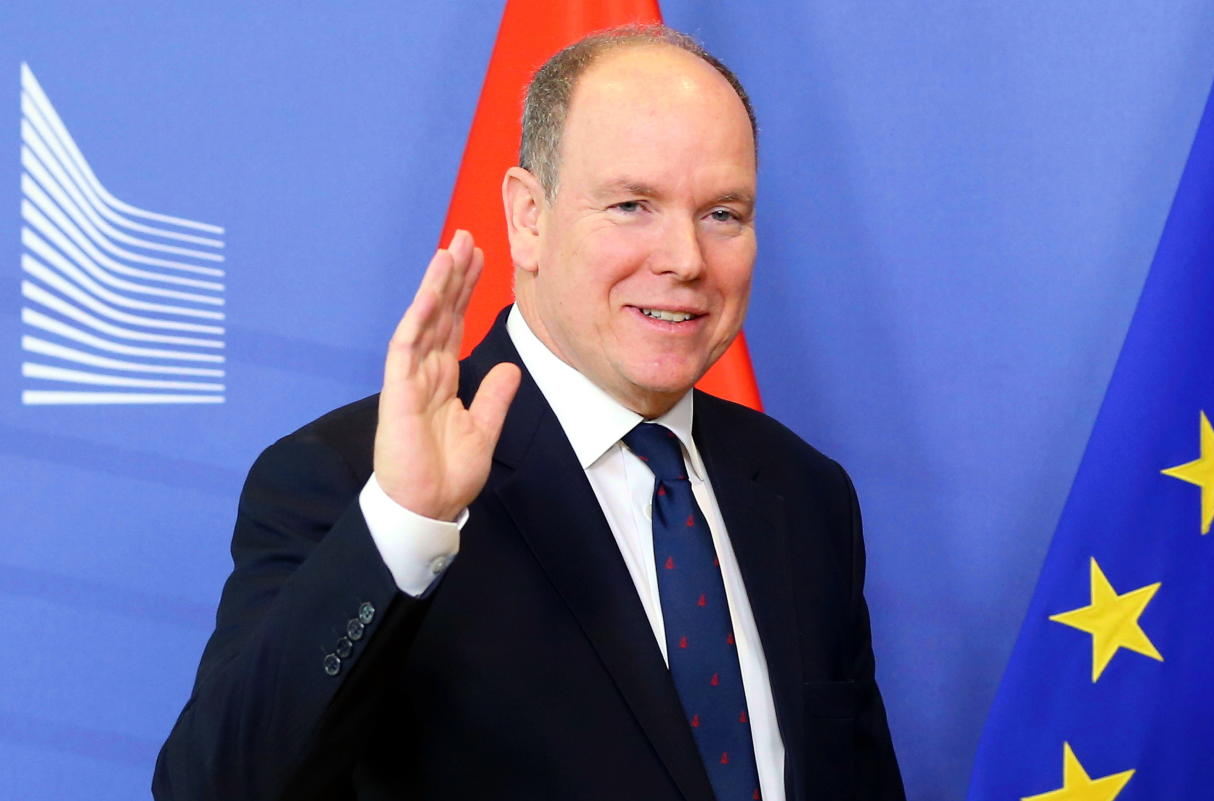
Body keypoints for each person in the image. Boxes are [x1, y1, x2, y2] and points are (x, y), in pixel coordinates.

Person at [154, 24, 904, 801]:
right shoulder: (351, 481)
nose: (685, 258)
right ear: (529, 217)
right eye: (631, 204)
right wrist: (407, 525)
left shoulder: (806, 494)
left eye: (723, 214)